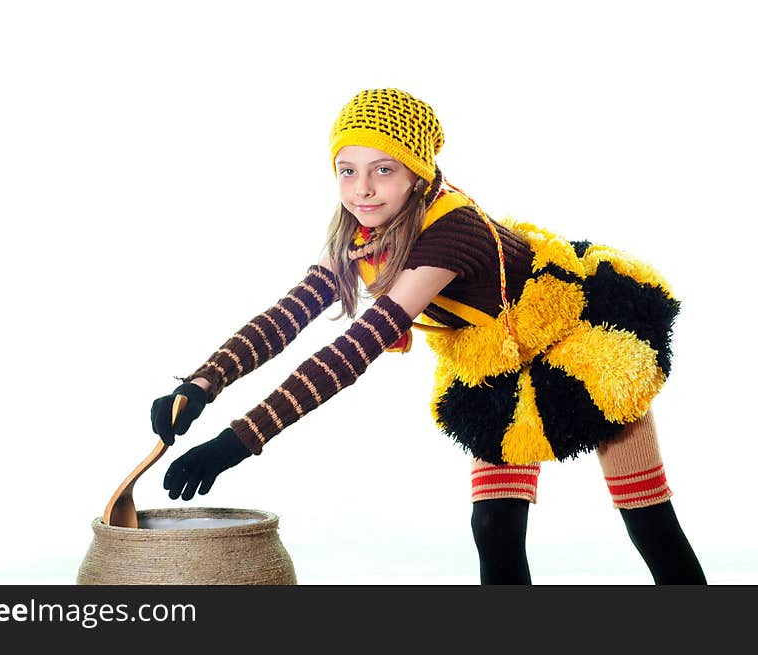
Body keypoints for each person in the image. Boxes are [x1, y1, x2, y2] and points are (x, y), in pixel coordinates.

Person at [149, 88, 706, 585]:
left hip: (581, 346)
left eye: (383, 170)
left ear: (417, 172)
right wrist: (201, 384)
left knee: (646, 515)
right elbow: (288, 317)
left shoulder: (448, 235)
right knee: (493, 526)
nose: (362, 190)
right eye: (347, 170)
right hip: (500, 363)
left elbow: (355, 349)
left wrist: (239, 441)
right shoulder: (363, 233)